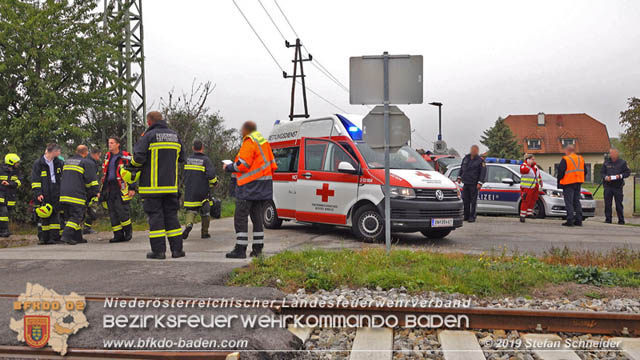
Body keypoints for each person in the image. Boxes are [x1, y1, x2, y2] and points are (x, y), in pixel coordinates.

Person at [129, 111, 185, 259]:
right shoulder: (175, 136)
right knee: (172, 217)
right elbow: (182, 158)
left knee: (156, 219)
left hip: (152, 187)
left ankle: (159, 251)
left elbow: (138, 158)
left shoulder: (148, 136)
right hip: (171, 187)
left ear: (149, 122)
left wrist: (130, 166)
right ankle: (177, 250)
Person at [225, 121, 277, 259]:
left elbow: (243, 165)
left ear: (246, 130)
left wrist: (229, 167)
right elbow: (272, 165)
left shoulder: (249, 141)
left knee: (240, 219)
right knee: (257, 219)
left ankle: (240, 249)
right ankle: (257, 249)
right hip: (262, 188)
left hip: (248, 187)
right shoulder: (264, 143)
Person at [59, 145, 100, 245]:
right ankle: (66, 235)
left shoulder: (67, 161)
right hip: (76, 194)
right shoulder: (86, 162)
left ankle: (78, 237)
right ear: (86, 153)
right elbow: (92, 181)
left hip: (63, 193)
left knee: (71, 216)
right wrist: (96, 192)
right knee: (77, 216)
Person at [101, 137, 136, 243]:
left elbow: (133, 171)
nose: (109, 145)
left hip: (121, 187)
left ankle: (128, 232)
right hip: (109, 187)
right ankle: (118, 235)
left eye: (112, 143)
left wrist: (132, 187)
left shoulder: (126, 155)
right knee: (112, 212)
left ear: (118, 144)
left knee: (122, 211)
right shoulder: (107, 155)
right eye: (109, 143)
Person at [182, 140, 218, 240]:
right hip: (203, 191)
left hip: (190, 190)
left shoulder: (188, 159)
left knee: (191, 211)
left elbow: (184, 175)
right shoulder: (205, 160)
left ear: (193, 148)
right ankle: (204, 233)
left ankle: (189, 225)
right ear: (202, 148)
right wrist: (215, 183)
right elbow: (211, 175)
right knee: (205, 212)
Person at [32, 144, 64, 245]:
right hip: (44, 192)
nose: (59, 153)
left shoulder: (59, 162)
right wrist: (38, 193)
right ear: (54, 152)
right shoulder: (39, 163)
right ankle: (44, 238)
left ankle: (54, 238)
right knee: (44, 215)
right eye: (58, 151)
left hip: (56, 191)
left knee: (55, 214)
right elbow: (35, 180)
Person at [557, 144, 585, 227]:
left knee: (569, 202)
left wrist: (559, 181)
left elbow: (560, 171)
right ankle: (579, 220)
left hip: (568, 182)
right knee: (576, 201)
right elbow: (585, 170)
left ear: (567, 151)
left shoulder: (566, 159)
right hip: (578, 182)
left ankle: (570, 220)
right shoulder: (580, 159)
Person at [456, 145, 486, 223]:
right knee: (465, 200)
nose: (473, 151)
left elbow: (482, 173)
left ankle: (472, 216)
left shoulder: (480, 160)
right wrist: (459, 177)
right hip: (466, 182)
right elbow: (462, 168)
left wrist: (480, 183)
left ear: (477, 151)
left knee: (473, 201)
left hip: (474, 183)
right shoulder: (466, 158)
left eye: (475, 150)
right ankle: (466, 215)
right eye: (472, 149)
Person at [602, 148, 631, 225]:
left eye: (612, 153)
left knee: (619, 204)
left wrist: (620, 176)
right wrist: (605, 177)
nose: (611, 155)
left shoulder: (622, 163)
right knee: (607, 204)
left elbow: (627, 173)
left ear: (617, 154)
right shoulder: (606, 162)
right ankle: (608, 219)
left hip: (618, 187)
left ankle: (621, 220)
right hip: (608, 186)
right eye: (610, 153)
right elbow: (602, 173)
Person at [0, 153, 21, 237]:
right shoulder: (1, 170)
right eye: (17, 162)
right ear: (11, 162)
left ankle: (5, 230)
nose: (18, 164)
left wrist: (10, 183)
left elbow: (19, 182)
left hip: (10, 196)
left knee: (7, 213)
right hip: (1, 195)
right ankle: (3, 231)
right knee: (3, 213)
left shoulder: (16, 171)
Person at [83, 147, 103, 234]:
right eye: (99, 156)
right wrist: (96, 191)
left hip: (86, 190)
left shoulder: (90, 161)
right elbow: (92, 178)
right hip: (89, 191)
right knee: (92, 209)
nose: (99, 158)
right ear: (95, 154)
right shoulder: (90, 163)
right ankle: (86, 227)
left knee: (89, 210)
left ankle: (86, 227)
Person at [519, 154, 542, 223]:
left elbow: (538, 175)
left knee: (533, 200)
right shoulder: (524, 165)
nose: (533, 160)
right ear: (528, 159)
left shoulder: (535, 166)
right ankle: (522, 215)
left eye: (534, 159)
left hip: (535, 186)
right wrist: (529, 165)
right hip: (527, 187)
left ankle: (529, 213)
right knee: (525, 201)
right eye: (532, 159)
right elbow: (524, 171)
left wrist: (540, 181)